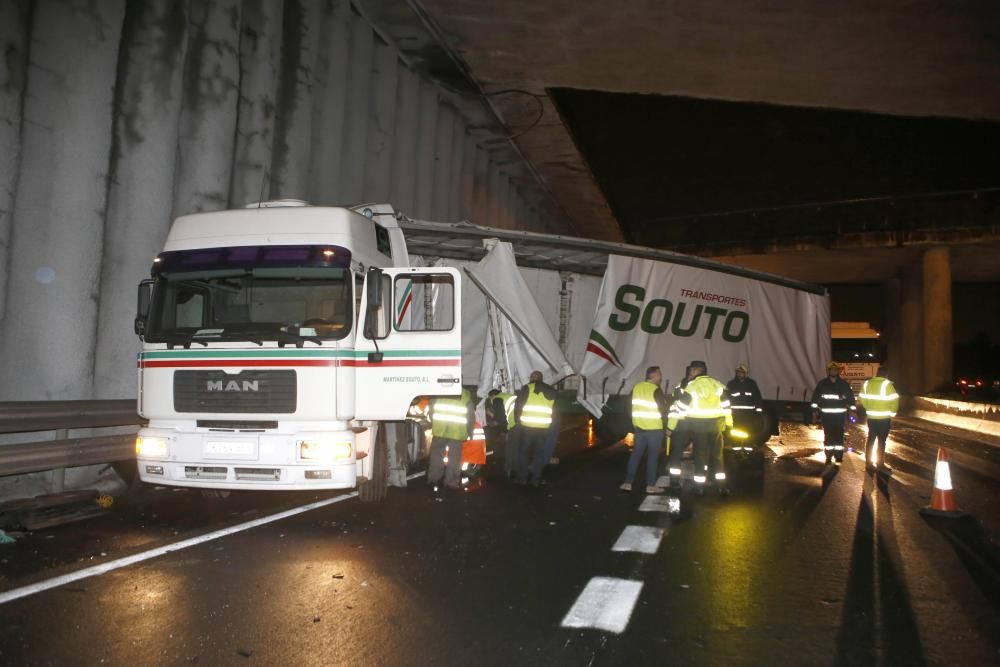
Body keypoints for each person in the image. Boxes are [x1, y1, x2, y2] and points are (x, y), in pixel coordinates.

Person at [668, 360, 733, 495]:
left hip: (697, 427)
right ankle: (720, 486)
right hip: (713, 427)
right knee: (717, 457)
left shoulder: (691, 387)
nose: (690, 371)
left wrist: (670, 427)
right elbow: (727, 407)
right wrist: (729, 425)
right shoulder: (717, 385)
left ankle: (700, 487)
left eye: (692, 369)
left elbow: (679, 409)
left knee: (700, 457)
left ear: (698, 371)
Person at [620, 366, 668, 494]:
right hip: (654, 430)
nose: (661, 377)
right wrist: (667, 426)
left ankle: (627, 483)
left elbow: (628, 405)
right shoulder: (656, 390)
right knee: (652, 457)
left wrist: (634, 421)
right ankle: (650, 485)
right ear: (655, 376)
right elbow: (663, 410)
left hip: (639, 429)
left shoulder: (636, 387)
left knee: (635, 455)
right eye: (660, 374)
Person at [428, 386, 476, 490]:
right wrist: (469, 431)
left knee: (436, 453)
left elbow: (431, 409)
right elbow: (470, 416)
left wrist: (434, 422)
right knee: (455, 457)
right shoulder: (465, 395)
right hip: (457, 430)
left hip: (440, 428)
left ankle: (434, 478)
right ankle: (451, 482)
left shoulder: (438, 391)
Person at [514, 370, 557, 486]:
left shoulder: (527, 388)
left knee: (523, 452)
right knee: (539, 453)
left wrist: (517, 421)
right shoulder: (551, 390)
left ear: (532, 378)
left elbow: (518, 406)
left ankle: (522, 478)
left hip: (527, 426)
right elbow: (554, 409)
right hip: (543, 427)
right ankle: (536, 479)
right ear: (541, 378)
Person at [810, 362, 856, 464]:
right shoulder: (822, 384)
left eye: (835, 370)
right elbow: (815, 399)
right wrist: (814, 412)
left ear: (838, 371)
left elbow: (851, 399)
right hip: (827, 416)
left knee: (839, 435)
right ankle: (829, 456)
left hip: (840, 416)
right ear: (829, 371)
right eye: (832, 370)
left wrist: (853, 411)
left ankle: (838, 456)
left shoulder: (844, 384)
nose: (834, 371)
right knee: (829, 436)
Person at [858, 368, 899, 474]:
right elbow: (894, 400)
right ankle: (880, 464)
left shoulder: (867, 384)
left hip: (871, 418)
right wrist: (892, 413)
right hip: (884, 419)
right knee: (881, 441)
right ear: (886, 374)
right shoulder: (887, 384)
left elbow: (862, 398)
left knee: (871, 439)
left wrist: (869, 407)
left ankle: (868, 463)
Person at [665, 364, 698, 488]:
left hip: (682, 424)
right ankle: (697, 481)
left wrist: (670, 427)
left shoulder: (679, 386)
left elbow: (673, 405)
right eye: (696, 370)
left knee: (677, 452)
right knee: (697, 452)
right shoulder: (694, 387)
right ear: (691, 373)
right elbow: (675, 407)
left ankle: (675, 480)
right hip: (692, 423)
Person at [726, 363, 763, 450]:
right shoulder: (731, 384)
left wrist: (758, 412)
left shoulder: (751, 384)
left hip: (749, 414)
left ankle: (748, 447)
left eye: (742, 372)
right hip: (736, 414)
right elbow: (727, 398)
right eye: (738, 372)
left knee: (748, 431)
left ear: (746, 373)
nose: (739, 374)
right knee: (735, 431)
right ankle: (736, 447)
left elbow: (757, 398)